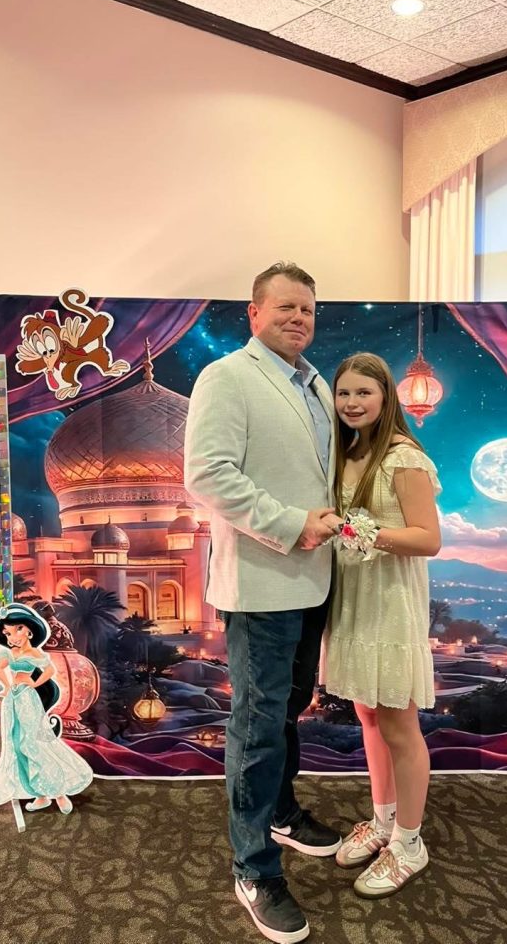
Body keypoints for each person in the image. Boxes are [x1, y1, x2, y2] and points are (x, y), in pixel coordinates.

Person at [184, 262, 342, 944]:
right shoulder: (227, 376)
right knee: (256, 725)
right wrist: (290, 524)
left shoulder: (317, 383)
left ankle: (279, 812)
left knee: (287, 710)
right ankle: (253, 868)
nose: (298, 318)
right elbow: (208, 475)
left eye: (307, 309)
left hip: (315, 579)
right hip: (261, 582)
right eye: (285, 307)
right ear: (254, 313)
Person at [321, 352, 441, 898]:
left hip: (391, 601)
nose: (352, 403)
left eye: (363, 393)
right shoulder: (347, 453)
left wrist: (362, 532)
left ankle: (410, 843)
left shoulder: (403, 456)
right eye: (343, 393)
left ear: (386, 396)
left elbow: (428, 538)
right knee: (369, 716)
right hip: (355, 600)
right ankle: (384, 820)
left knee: (398, 724)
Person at [0, 603, 93, 814]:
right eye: (7, 633)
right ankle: (40, 795)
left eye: (18, 629)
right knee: (17, 745)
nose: (13, 636)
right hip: (12, 700)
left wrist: (34, 683)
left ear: (29, 630)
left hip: (28, 699)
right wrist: (7, 686)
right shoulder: (9, 653)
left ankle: (59, 793)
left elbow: (49, 671)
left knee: (34, 744)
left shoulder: (36, 654)